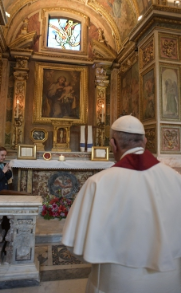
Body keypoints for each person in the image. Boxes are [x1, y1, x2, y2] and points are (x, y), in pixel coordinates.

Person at [62, 115, 181, 293]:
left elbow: (75, 244)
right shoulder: (176, 179)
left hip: (116, 282)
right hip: (169, 281)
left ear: (113, 144)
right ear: (145, 141)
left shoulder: (98, 182)